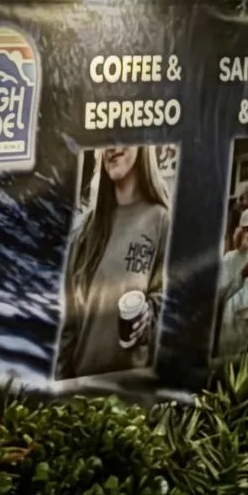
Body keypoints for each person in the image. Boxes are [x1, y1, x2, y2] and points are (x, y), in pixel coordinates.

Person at [54, 141, 174, 379]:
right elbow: (70, 326)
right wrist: (59, 388)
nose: (113, 147)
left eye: (124, 138)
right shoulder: (84, 233)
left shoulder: (161, 221)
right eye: (106, 140)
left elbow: (169, 301)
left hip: (131, 388)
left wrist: (148, 313)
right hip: (81, 384)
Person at [211, 198, 248, 365]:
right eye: (246, 229)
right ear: (239, 230)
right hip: (228, 325)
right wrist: (240, 277)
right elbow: (220, 292)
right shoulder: (229, 259)